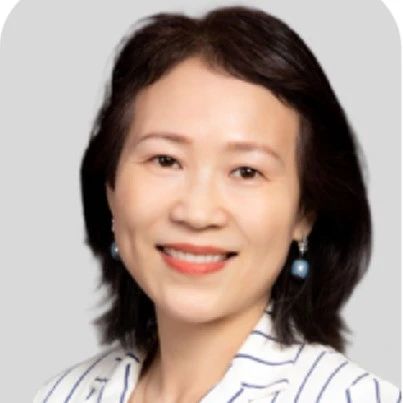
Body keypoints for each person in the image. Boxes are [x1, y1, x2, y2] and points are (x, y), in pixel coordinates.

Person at [33, 5, 401, 403]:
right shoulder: (60, 395)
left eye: (246, 171)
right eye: (166, 160)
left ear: (304, 212)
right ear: (111, 187)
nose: (197, 213)